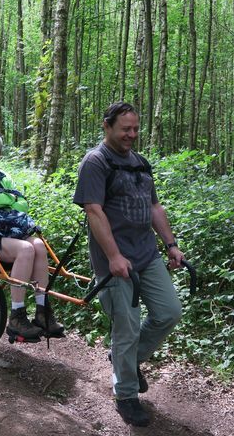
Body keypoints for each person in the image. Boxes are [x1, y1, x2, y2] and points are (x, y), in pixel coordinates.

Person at [73, 102, 184, 427]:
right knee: (127, 327)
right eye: (125, 129)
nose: (131, 135)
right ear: (107, 126)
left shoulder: (140, 163)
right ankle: (125, 395)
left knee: (169, 312)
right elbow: (94, 211)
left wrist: (171, 245)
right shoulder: (95, 162)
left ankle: (128, 361)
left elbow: (154, 208)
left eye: (135, 129)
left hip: (146, 255)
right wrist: (113, 256)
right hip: (115, 261)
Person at [0, 131, 64, 340]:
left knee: (39, 246)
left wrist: (0, 199)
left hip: (6, 230)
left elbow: (22, 204)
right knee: (25, 249)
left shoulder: (4, 177)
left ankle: (43, 311)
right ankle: (17, 316)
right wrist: (8, 199)